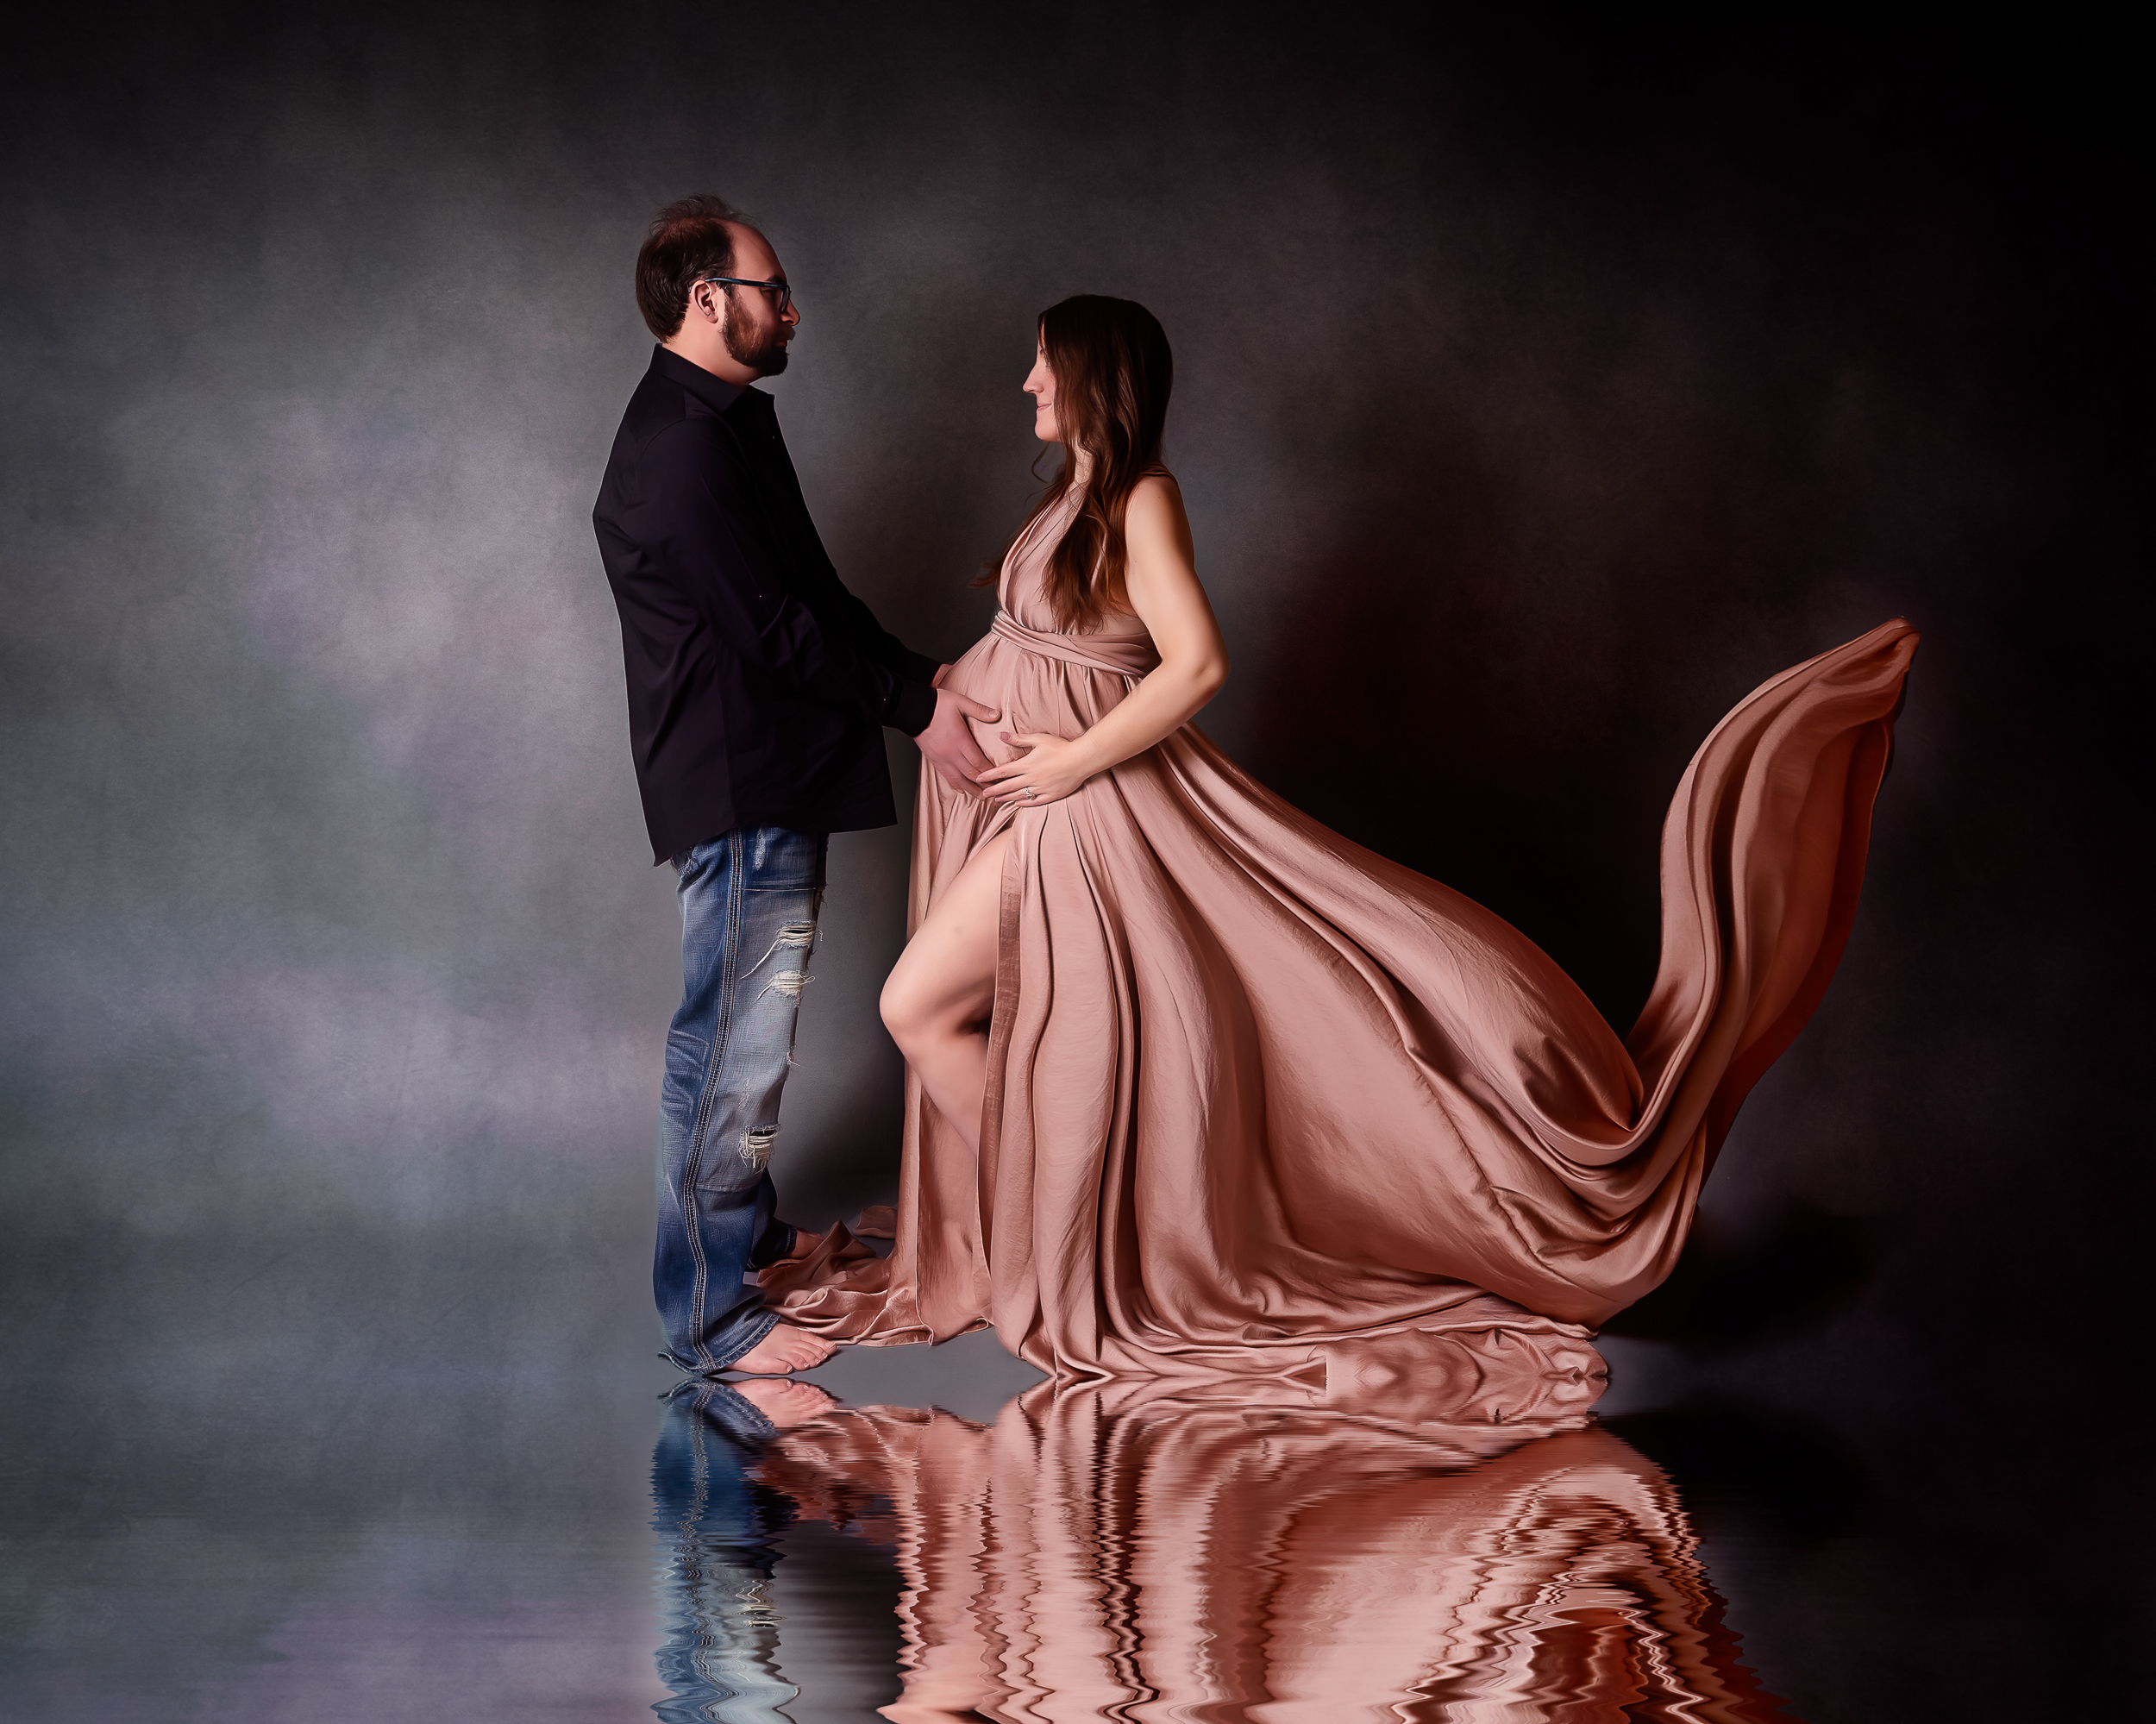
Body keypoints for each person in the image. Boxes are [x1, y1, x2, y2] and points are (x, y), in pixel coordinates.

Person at [761, 293, 1919, 1380]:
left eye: (1044, 364)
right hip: (1048, 813)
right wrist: (954, 703)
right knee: (942, 1015)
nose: (1025, 383)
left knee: (923, 1007)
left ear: (1094, 377)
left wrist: (1063, 760)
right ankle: (1051, 1234)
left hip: (1090, 821)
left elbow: (1199, 664)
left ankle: (1069, 1244)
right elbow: (1050, 643)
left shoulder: (1142, 500)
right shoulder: (1067, 496)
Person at [592, 196, 999, 1378]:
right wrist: (915, 712)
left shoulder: (722, 425)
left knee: (750, 1040)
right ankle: (712, 1319)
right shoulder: (677, 446)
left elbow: (814, 590)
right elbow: (770, 631)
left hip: (768, 772)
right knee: (731, 1045)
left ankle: (744, 1243)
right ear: (707, 300)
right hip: (737, 784)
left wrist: (916, 673)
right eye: (772, 288)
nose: (793, 308)